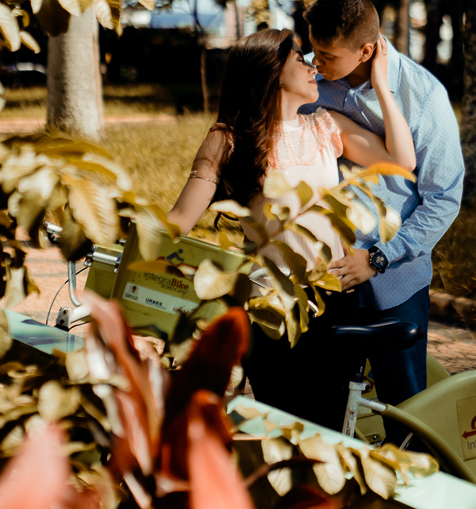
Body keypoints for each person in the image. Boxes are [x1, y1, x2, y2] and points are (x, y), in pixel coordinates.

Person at [168, 27, 415, 429]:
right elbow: (180, 219)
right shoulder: (228, 139)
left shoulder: (324, 126)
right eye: (300, 59)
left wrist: (381, 85)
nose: (312, 66)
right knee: (285, 428)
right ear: (271, 71)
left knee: (329, 430)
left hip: (334, 299)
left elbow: (402, 160)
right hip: (271, 307)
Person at [302, 0, 464, 432]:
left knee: (406, 419)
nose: (316, 63)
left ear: (366, 50)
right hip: (324, 280)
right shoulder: (309, 86)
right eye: (313, 50)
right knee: (323, 416)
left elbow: (443, 198)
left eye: (327, 56)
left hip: (394, 281)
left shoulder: (423, 96)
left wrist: (377, 258)